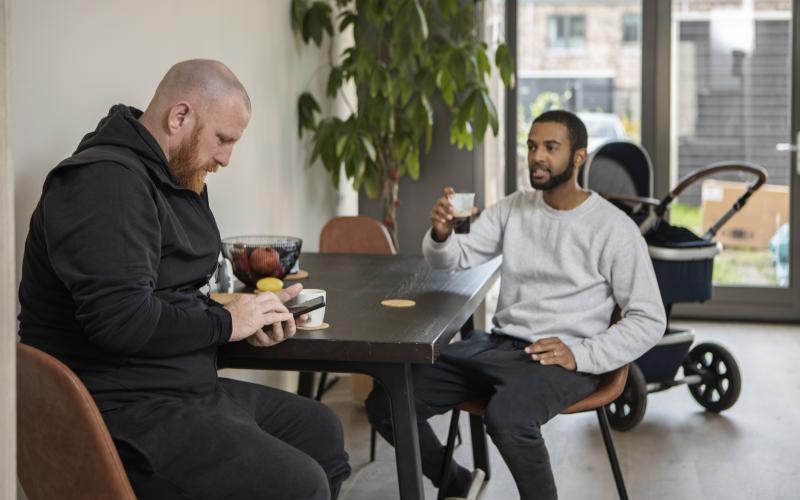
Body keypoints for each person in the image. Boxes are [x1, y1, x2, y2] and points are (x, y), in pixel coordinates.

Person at [18, 59, 350, 500]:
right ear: (179, 117)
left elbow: (171, 297)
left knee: (320, 430)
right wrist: (227, 323)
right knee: (298, 483)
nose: (226, 158)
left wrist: (241, 325)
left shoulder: (174, 175)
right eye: (223, 139)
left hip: (179, 390)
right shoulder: (104, 184)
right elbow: (122, 321)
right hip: (117, 412)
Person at [365, 110, 666, 500]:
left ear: (578, 157)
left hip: (563, 359)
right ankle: (453, 479)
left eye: (551, 147)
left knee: (507, 418)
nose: (537, 156)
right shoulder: (513, 208)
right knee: (387, 399)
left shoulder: (614, 228)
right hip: (498, 346)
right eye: (532, 146)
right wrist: (442, 235)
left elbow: (649, 318)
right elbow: (453, 260)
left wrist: (580, 353)